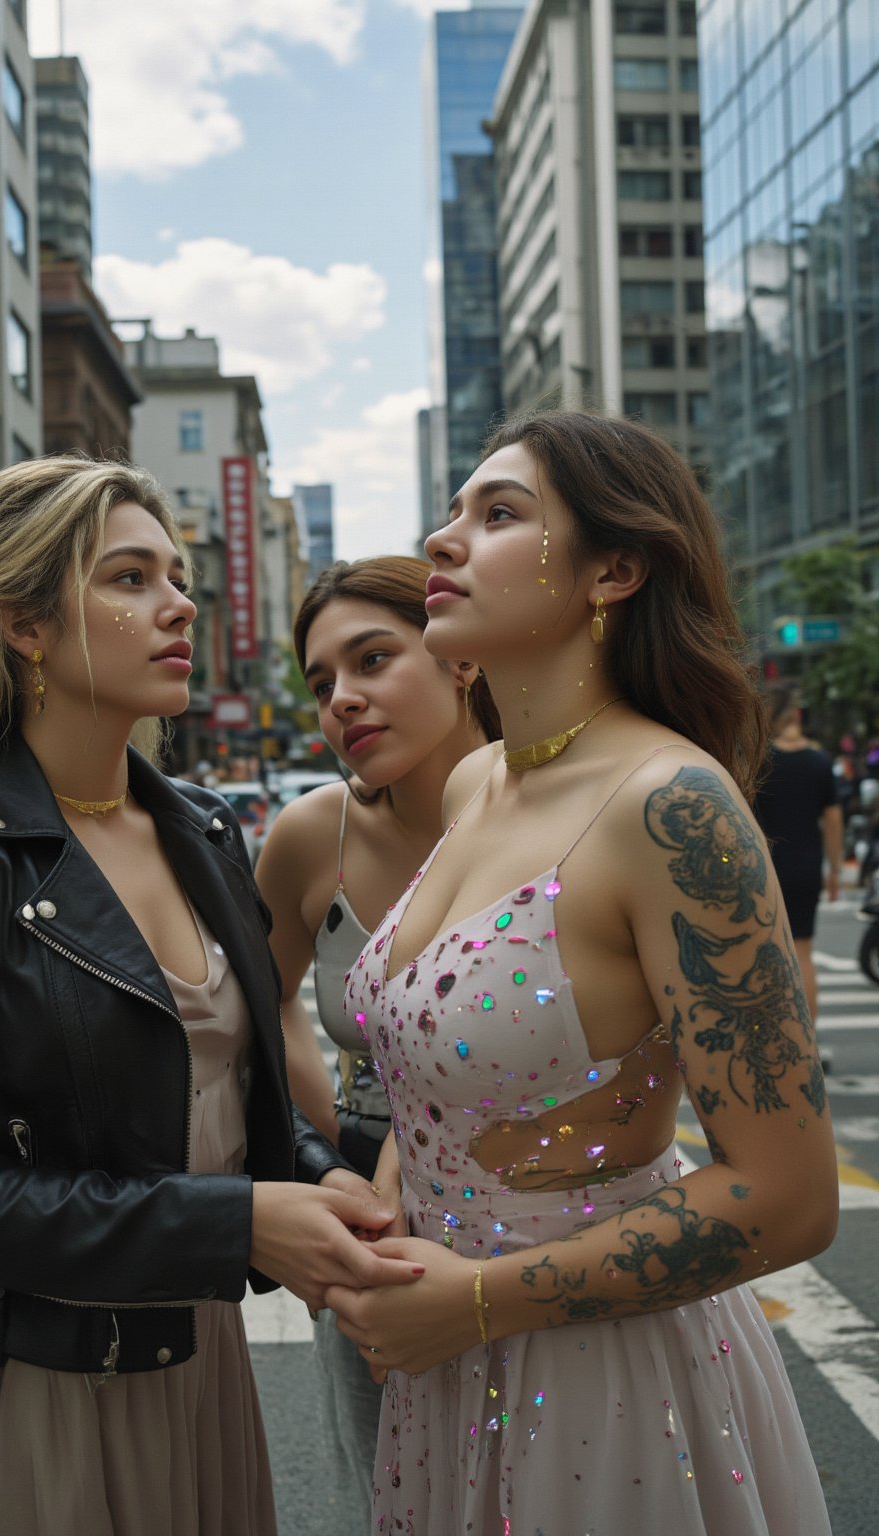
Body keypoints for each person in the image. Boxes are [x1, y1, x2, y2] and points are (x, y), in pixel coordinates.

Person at [0, 457, 423, 1536]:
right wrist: (241, 1222)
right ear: (24, 623)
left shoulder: (202, 828)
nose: (177, 605)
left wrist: (323, 1183)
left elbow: (221, 1095)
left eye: (175, 576)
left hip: (197, 1368)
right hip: (32, 1392)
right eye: (127, 578)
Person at [327, 410, 837, 1534]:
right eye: (451, 512)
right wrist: (389, 1184)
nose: (444, 539)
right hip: (442, 1366)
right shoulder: (475, 786)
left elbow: (789, 1197)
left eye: (498, 514)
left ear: (614, 569)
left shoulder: (671, 806)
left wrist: (476, 1304)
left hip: (604, 1388)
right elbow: (455, 1072)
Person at [256, 556, 500, 1520]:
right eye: (322, 684)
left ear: (457, 661)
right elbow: (265, 1005)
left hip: (540, 1212)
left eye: (372, 659)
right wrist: (334, 1157)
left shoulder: (563, 810)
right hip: (372, 1230)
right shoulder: (313, 835)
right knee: (397, 1493)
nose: (342, 701)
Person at [754, 686, 843, 1034]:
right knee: (803, 953)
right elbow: (833, 822)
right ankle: (807, 1042)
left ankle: (776, 1034)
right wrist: (833, 870)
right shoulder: (820, 762)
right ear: (798, 715)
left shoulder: (761, 760)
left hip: (766, 866)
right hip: (807, 866)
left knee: (768, 953)